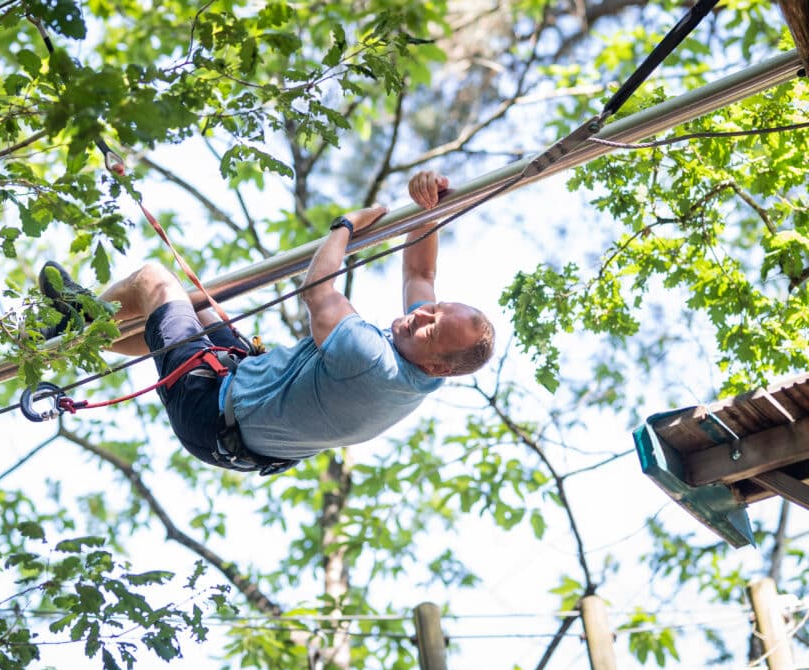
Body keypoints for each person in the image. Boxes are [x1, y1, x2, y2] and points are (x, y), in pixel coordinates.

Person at [38, 170, 494, 474]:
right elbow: (421, 274)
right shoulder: (427, 363)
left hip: (213, 413)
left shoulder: (371, 358)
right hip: (239, 408)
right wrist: (427, 205)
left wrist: (346, 225)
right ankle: (82, 335)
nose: (419, 316)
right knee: (186, 310)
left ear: (439, 366)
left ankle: (82, 311)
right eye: (432, 310)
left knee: (156, 281)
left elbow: (319, 289)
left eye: (430, 327)